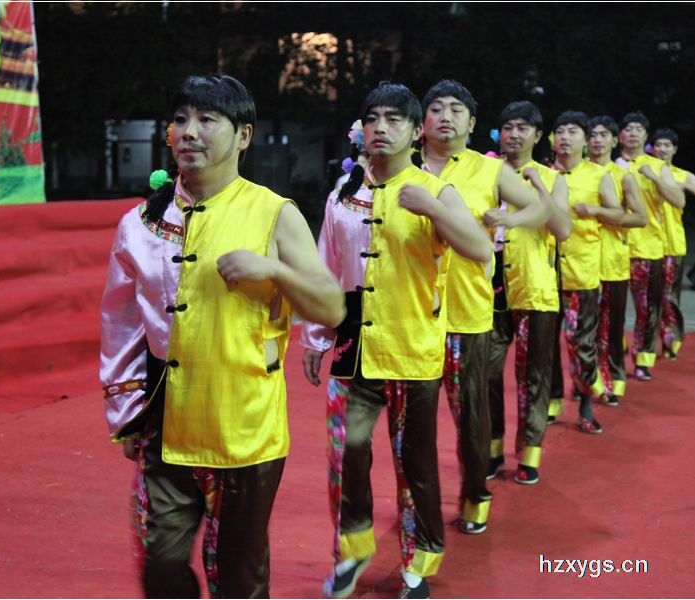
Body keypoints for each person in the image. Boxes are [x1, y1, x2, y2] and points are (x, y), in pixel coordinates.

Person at [99, 74, 345, 599]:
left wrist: (274, 271)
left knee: (239, 575)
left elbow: (329, 306)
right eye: (181, 119)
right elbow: (121, 322)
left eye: (207, 119)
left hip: (247, 428)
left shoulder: (274, 214)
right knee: (160, 562)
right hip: (166, 424)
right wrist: (127, 411)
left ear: (243, 136)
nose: (189, 131)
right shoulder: (139, 223)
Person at [307, 81, 492, 600]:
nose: (381, 128)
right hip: (353, 350)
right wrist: (315, 337)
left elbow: (481, 250)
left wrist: (434, 209)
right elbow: (326, 269)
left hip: (412, 349)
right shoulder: (343, 194)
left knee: (415, 465)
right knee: (346, 454)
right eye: (373, 118)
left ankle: (418, 559)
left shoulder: (436, 190)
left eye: (394, 119)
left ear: (415, 132)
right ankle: (352, 550)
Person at [418, 80, 548, 530]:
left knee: (470, 414)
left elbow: (538, 208)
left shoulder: (490, 170)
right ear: (421, 121)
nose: (446, 116)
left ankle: (476, 497)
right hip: (408, 316)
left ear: (472, 124)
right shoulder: (403, 167)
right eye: (437, 108)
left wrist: (511, 217)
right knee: (412, 423)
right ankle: (419, 509)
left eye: (457, 109)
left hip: (465, 313)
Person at [485, 100, 572, 484]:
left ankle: (529, 452)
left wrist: (539, 186)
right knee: (486, 372)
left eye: (523, 128)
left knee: (533, 375)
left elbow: (563, 229)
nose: (514, 134)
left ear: (538, 136)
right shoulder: (484, 171)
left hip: (534, 287)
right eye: (508, 127)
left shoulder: (552, 179)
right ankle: (491, 449)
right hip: (486, 287)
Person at [550, 111, 623, 433]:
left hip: (581, 272)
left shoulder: (598, 175)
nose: (565, 137)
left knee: (581, 344)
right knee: (545, 345)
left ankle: (586, 403)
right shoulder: (542, 173)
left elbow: (618, 214)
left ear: (584, 140)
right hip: (543, 273)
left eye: (573, 132)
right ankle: (551, 400)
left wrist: (594, 210)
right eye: (560, 131)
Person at [615, 112, 684, 381]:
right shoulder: (609, 165)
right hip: (614, 249)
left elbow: (678, 200)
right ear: (619, 135)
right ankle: (614, 352)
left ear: (646, 136)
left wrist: (654, 177)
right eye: (628, 128)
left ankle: (643, 358)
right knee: (608, 309)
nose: (633, 133)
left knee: (646, 308)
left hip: (647, 249)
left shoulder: (657, 166)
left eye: (639, 129)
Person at [587, 116, 647, 405]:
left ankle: (614, 375)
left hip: (612, 262)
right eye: (592, 135)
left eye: (603, 135)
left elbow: (641, 218)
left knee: (611, 327)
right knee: (584, 330)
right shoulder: (570, 174)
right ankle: (588, 378)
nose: (597, 140)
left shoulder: (624, 176)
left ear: (614, 140)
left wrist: (602, 213)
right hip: (578, 264)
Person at [651, 128, 695, 358]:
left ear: (675, 149)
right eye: (658, 145)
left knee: (668, 297)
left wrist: (685, 186)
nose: (662, 149)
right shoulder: (642, 171)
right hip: (644, 246)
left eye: (667, 145)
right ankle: (648, 345)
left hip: (672, 245)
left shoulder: (682, 175)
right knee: (648, 299)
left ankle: (671, 340)